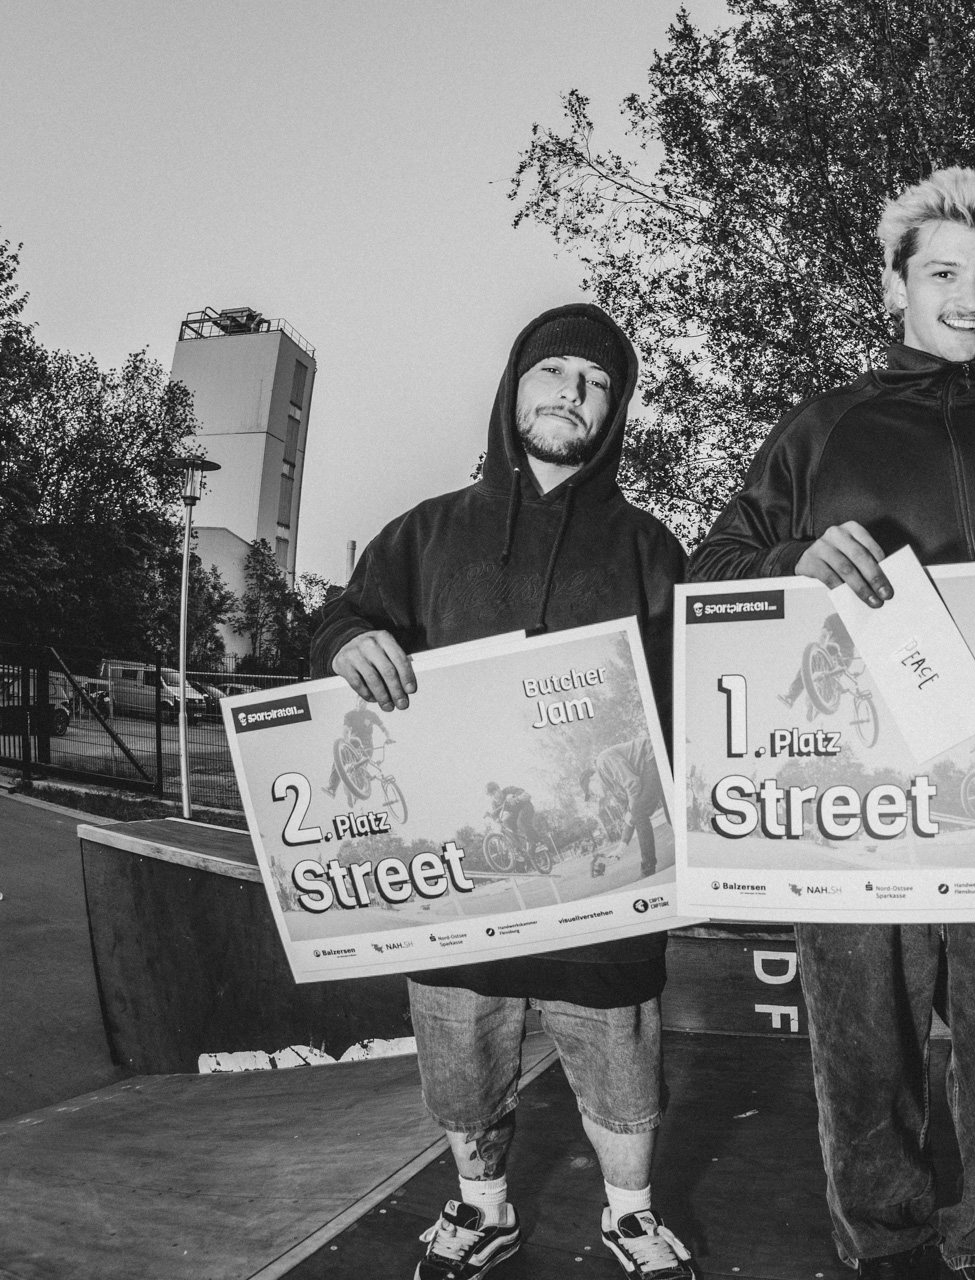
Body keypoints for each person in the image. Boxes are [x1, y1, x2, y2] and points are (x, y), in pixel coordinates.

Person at [690, 168, 975, 1280]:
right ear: (894, 287)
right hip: (861, 797)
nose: (971, 301)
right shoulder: (822, 429)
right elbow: (711, 567)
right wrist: (794, 560)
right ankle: (887, 1245)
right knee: (866, 1043)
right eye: (946, 275)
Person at [309, 304, 694, 1280]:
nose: (571, 390)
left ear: (616, 410)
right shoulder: (427, 533)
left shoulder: (651, 549)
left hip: (600, 871)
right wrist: (346, 639)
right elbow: (346, 617)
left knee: (619, 1044)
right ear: (515, 385)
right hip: (457, 867)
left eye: (597, 380)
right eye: (553, 369)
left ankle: (632, 1213)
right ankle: (483, 1209)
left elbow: (695, 690)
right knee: (460, 1042)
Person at [581, 737, 667, 876]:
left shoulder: (603, 761)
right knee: (666, 812)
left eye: (591, 792)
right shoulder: (614, 789)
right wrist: (620, 849)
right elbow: (628, 818)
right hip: (646, 770)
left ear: (593, 779)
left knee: (638, 812)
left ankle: (648, 870)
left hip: (652, 755)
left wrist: (632, 811)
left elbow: (633, 784)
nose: (595, 797)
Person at [779, 612, 857, 713]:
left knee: (832, 678)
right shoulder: (833, 618)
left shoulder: (850, 620)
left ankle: (816, 704)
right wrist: (819, 650)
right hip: (830, 652)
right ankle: (791, 697)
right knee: (809, 665)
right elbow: (824, 635)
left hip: (844, 655)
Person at [324, 701, 390, 798]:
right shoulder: (350, 715)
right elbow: (346, 730)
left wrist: (388, 737)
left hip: (368, 745)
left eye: (365, 703)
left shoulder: (371, 715)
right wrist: (345, 742)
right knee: (340, 758)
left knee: (362, 771)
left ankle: (356, 793)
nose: (363, 704)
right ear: (356, 702)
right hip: (353, 743)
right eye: (361, 702)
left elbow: (383, 728)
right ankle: (332, 788)